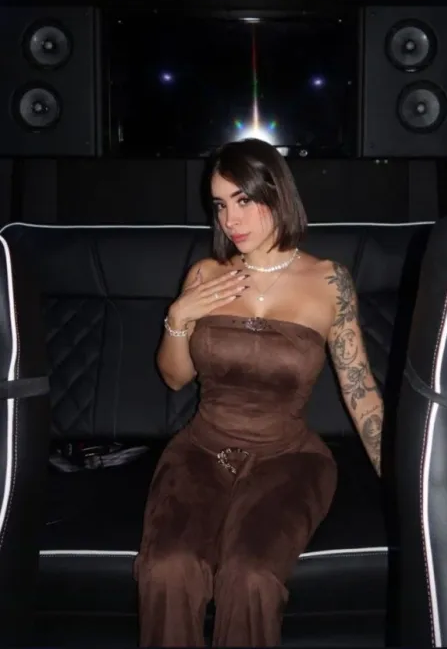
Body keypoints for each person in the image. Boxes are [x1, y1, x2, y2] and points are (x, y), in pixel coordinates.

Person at [134, 138, 384, 647]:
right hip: (201, 451)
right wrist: (178, 316)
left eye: (243, 200)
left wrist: (408, 483)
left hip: (288, 458)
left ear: (277, 193)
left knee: (251, 577)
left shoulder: (329, 282)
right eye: (220, 205)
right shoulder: (206, 275)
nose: (231, 219)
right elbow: (175, 378)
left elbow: (360, 390)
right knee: (168, 567)